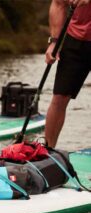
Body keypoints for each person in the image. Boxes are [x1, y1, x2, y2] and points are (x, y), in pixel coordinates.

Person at [45, 0, 91, 147]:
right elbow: (58, 4)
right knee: (59, 97)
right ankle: (48, 153)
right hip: (76, 38)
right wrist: (54, 42)